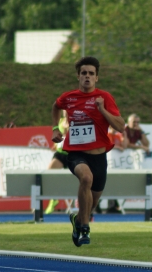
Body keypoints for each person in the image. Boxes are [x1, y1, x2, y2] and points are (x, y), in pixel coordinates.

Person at [52, 56, 124, 247]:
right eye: (83, 73)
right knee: (85, 178)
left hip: (99, 156)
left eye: (91, 73)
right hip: (76, 154)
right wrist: (55, 128)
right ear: (78, 76)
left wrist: (102, 110)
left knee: (91, 204)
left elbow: (121, 126)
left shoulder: (105, 98)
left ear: (96, 78)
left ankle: (78, 220)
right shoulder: (69, 97)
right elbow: (56, 106)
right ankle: (85, 228)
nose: (87, 76)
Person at [44, 110, 69, 215]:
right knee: (49, 174)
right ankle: (53, 200)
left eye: (67, 111)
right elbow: (60, 136)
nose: (66, 113)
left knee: (80, 179)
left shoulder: (76, 122)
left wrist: (67, 131)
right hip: (61, 153)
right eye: (64, 111)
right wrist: (55, 145)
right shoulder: (61, 121)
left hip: (73, 154)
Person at [105, 125, 124, 214]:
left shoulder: (118, 136)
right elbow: (108, 145)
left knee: (113, 184)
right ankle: (112, 205)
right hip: (110, 164)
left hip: (116, 165)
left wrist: (125, 136)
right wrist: (118, 148)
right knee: (108, 184)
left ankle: (113, 205)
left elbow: (124, 146)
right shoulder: (108, 134)